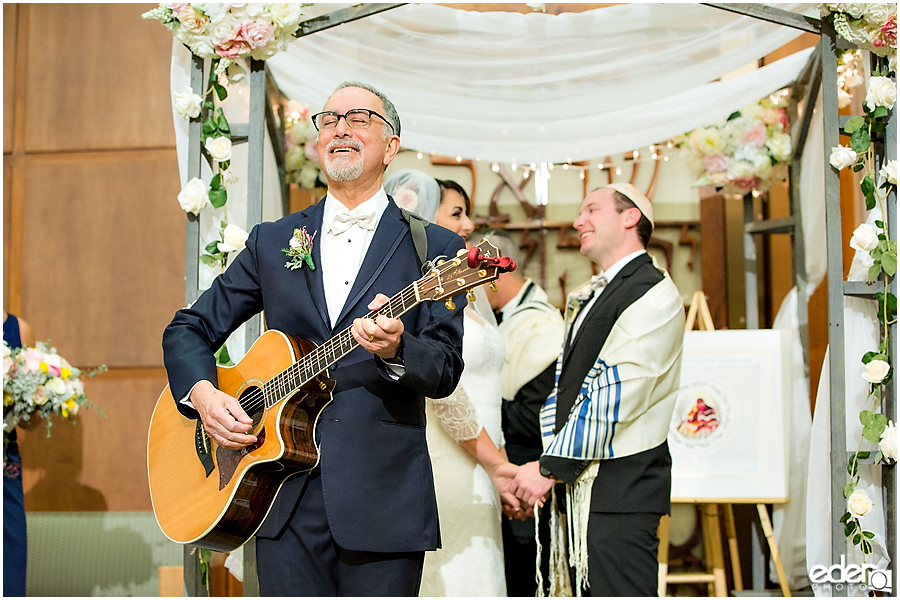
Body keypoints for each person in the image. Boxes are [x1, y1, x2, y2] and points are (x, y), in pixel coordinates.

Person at [162, 82, 469, 597]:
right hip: (277, 497)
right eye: (329, 120)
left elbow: (444, 370)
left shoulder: (434, 246)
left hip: (383, 503)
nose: (341, 128)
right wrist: (204, 394)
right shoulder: (273, 241)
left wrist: (397, 349)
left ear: (391, 146)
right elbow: (188, 327)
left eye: (359, 118)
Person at [512, 183, 685, 596]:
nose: (577, 221)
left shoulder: (653, 292)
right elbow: (567, 386)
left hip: (620, 490)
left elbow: (617, 390)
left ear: (631, 217)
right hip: (587, 487)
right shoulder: (603, 290)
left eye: (592, 209)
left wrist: (549, 466)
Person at [383, 170, 518, 596]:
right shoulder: (417, 292)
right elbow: (443, 391)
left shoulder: (463, 287)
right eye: (456, 214)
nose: (467, 225)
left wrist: (499, 460)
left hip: (484, 458)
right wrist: (497, 464)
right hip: (446, 460)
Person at [471, 228, 564, 597]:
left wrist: (481, 412)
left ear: (494, 273)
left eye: (473, 271)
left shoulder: (543, 326)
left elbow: (539, 416)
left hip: (525, 483)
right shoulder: (494, 319)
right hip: (489, 469)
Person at [3, 311, 36, 597]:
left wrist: (41, 398)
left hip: (4, 473)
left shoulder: (17, 329)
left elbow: (29, 420)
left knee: (8, 579)